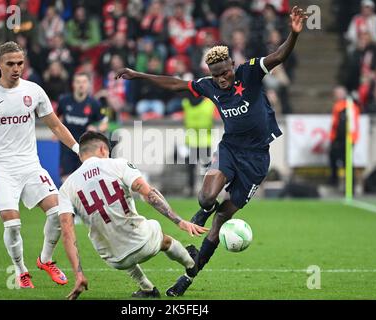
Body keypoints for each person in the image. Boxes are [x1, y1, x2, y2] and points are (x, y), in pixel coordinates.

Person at [115, 6, 307, 296]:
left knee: (220, 222)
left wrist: (293, 34)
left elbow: (279, 56)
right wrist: (139, 75)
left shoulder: (250, 72)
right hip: (230, 148)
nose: (223, 78)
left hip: (256, 160)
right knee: (206, 196)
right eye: (217, 74)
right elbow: (176, 85)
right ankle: (200, 215)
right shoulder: (209, 86)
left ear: (232, 64)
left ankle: (188, 277)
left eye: (226, 71)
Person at [0, 41, 80, 289]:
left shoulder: (34, 91)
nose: (16, 68)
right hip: (0, 168)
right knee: (13, 224)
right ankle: (21, 270)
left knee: (59, 212)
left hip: (30, 165)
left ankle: (45, 260)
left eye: (20, 63)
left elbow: (56, 125)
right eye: (10, 64)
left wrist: (78, 149)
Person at [58, 131, 208, 300]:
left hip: (113, 259)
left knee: (112, 234)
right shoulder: (118, 165)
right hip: (143, 243)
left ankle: (147, 288)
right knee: (161, 236)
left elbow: (67, 233)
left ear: (81, 156)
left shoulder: (66, 187)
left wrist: (78, 275)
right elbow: (148, 194)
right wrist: (180, 222)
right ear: (102, 149)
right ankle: (190, 264)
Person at [56, 72, 108, 182]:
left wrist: (96, 129)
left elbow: (104, 124)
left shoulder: (95, 104)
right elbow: (57, 118)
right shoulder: (64, 101)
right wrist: (57, 132)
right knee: (66, 180)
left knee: (85, 181)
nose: (81, 85)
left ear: (89, 85)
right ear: (73, 84)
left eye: (84, 82)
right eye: (78, 82)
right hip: (67, 145)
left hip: (86, 148)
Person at [328, 86, 360, 187]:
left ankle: (348, 185)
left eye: (337, 93)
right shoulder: (342, 105)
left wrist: (338, 139)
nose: (335, 95)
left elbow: (342, 125)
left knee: (347, 162)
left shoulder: (346, 106)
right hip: (343, 138)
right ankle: (337, 181)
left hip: (345, 138)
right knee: (335, 157)